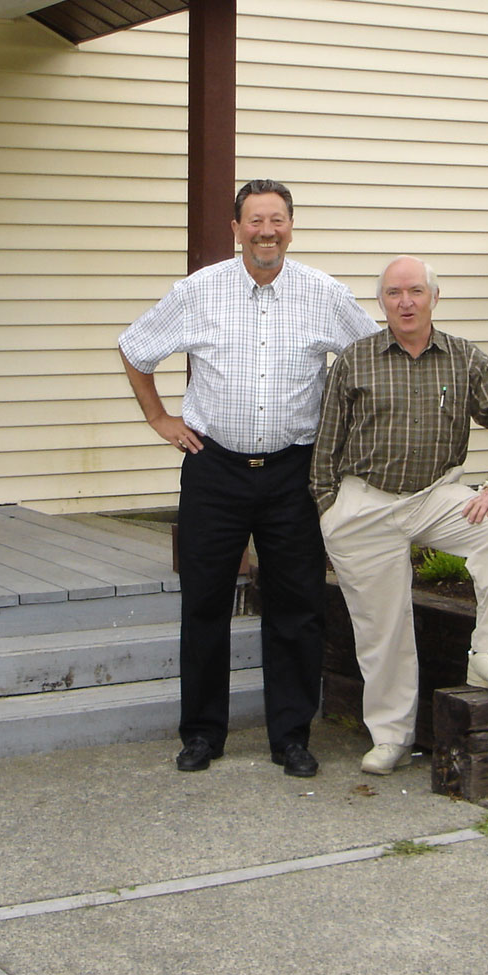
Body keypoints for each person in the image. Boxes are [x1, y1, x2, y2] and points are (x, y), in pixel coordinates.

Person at [120, 180, 377, 777]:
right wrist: (160, 418)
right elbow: (135, 349)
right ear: (235, 230)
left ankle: (291, 737)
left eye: (277, 220)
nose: (267, 231)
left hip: (294, 473)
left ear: (291, 227)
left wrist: (346, 447)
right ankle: (203, 735)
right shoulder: (199, 291)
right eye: (255, 221)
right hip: (215, 471)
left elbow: (371, 364)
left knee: (297, 607)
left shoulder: (324, 294)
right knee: (204, 604)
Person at [310, 255, 488, 776]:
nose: (405, 301)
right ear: (382, 302)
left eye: (415, 291)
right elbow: (326, 446)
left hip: (435, 495)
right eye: (394, 293)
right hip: (364, 502)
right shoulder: (356, 360)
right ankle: (391, 737)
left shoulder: (464, 360)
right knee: (382, 629)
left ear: (435, 296)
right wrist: (329, 509)